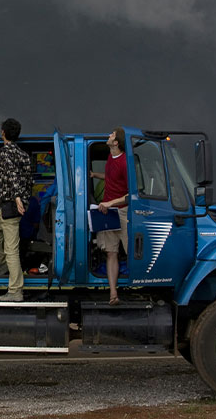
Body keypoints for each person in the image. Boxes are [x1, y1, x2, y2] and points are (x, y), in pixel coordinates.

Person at [0, 118, 33, 302]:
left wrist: (17, 198)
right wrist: (25, 199)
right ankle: (3, 264)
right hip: (14, 204)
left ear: (3, 133)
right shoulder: (23, 154)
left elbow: (12, 176)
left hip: (11, 204)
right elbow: (29, 180)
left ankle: (15, 291)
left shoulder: (4, 153)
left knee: (11, 249)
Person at [90, 127, 128, 305]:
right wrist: (94, 175)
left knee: (131, 253)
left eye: (111, 135)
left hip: (122, 212)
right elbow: (111, 178)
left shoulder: (125, 162)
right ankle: (113, 294)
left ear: (116, 143)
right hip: (107, 212)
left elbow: (131, 195)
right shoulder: (110, 158)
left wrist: (110, 203)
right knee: (111, 253)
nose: (108, 136)